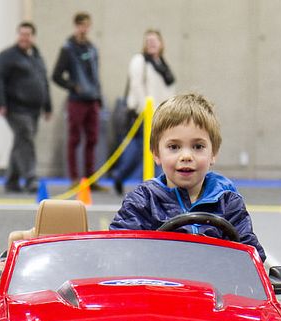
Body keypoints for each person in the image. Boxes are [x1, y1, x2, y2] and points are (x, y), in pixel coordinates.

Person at [110, 92, 266, 261]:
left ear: (213, 153)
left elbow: (252, 259)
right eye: (174, 147)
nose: (186, 156)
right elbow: (119, 253)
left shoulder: (227, 202)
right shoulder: (142, 202)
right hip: (159, 284)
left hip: (214, 285)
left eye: (198, 146)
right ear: (156, 154)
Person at [110, 29, 176, 195]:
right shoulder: (139, 61)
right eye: (149, 41)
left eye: (155, 40)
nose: (152, 44)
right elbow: (137, 86)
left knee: (148, 151)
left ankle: (127, 178)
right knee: (144, 152)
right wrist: (148, 112)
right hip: (142, 116)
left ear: (161, 44)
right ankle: (145, 184)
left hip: (161, 117)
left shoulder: (163, 64)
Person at [0, 21, 52, 193]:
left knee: (21, 142)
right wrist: (1, 102)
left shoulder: (36, 57)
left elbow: (43, 82)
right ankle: (31, 178)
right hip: (15, 108)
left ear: (33, 37)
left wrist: (48, 106)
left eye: (28, 34)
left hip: (34, 110)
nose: (24, 37)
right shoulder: (7, 56)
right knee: (25, 138)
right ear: (18, 35)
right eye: (22, 34)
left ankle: (11, 180)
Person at [51, 12, 105, 190]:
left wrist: (99, 98)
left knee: (93, 139)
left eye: (87, 25)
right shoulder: (68, 49)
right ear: (76, 26)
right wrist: (73, 86)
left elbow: (96, 76)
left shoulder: (92, 48)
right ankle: (74, 178)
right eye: (81, 25)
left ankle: (90, 179)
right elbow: (56, 76)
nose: (84, 28)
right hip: (76, 102)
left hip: (93, 101)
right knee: (74, 140)